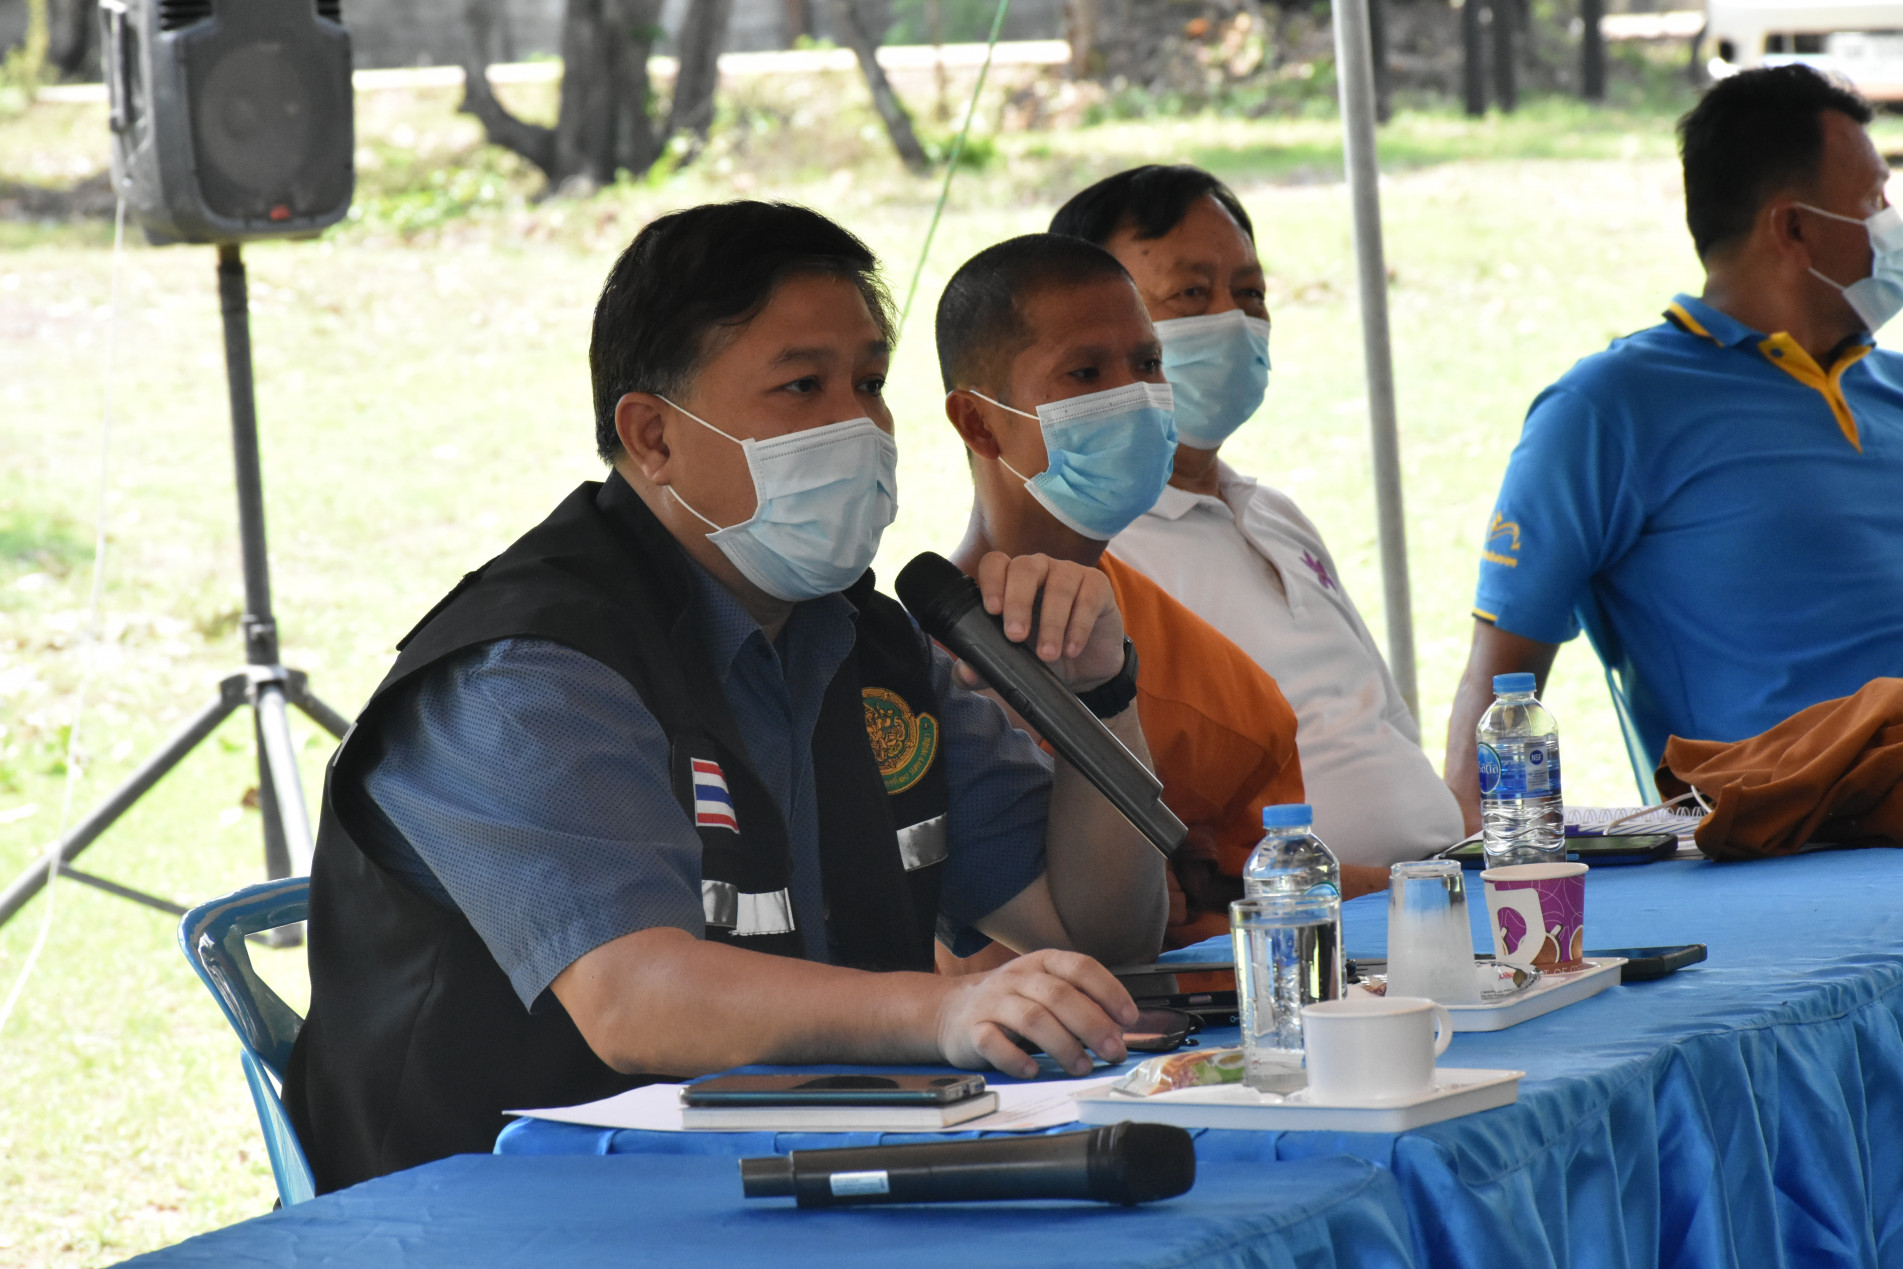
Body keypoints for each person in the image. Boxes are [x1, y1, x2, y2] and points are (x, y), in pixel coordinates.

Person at [282, 203, 1168, 1193]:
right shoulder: (527, 670)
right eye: (801, 387)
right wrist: (940, 1010)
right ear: (652, 435)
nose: (858, 426)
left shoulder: (869, 638)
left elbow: (1095, 930)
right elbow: (634, 1000)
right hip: (507, 1213)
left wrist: (1097, 695)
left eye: (869, 385)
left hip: (798, 1178)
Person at [1442, 66, 1903, 831]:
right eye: (1873, 204)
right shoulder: (1608, 409)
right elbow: (1498, 690)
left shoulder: (1890, 384)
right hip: (1787, 842)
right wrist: (1468, 890)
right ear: (1792, 228)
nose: (1889, 226)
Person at [934, 232, 1382, 953]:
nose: (1134, 397)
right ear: (978, 422)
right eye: (1084, 372)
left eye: (1147, 365)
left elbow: (1260, 868)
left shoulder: (1172, 645)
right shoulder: (932, 653)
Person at [1047, 165, 1465, 868]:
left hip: (1441, 889)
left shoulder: (1274, 516)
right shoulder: (1089, 557)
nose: (1233, 322)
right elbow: (1180, 851)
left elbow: (1385, 727)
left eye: (1249, 293)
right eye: (1190, 294)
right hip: (1308, 930)